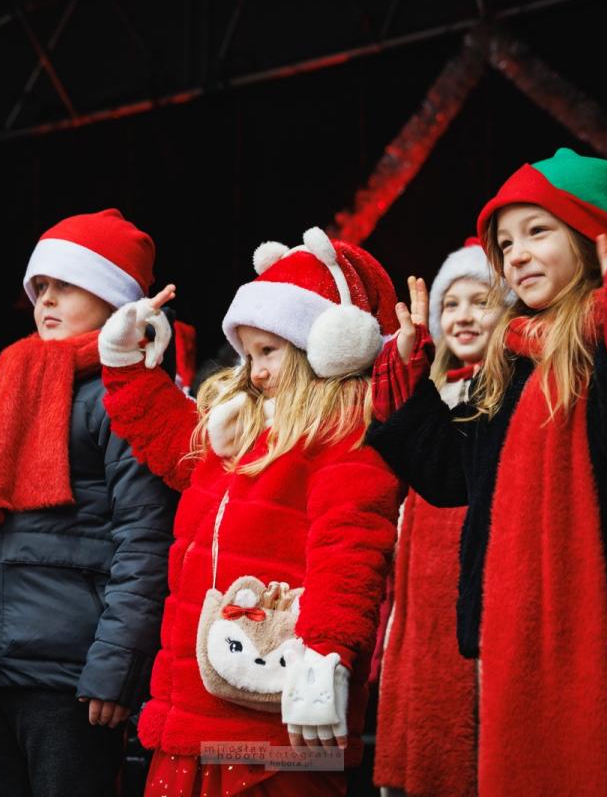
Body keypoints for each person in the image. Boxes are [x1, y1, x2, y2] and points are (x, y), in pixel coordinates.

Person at [366, 148, 607, 796]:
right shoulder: (514, 353)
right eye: (505, 243)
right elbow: (454, 475)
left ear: (591, 235)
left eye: (536, 231)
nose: (516, 254)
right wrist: (408, 383)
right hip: (514, 628)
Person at [96, 227, 402, 795]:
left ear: (324, 348)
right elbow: (168, 440)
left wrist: (325, 656)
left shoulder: (343, 435)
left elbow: (350, 549)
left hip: (277, 722)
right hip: (197, 710)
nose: (255, 370)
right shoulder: (239, 425)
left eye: (270, 351)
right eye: (249, 353)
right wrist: (127, 364)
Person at [0, 209, 178, 797]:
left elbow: (146, 542)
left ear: (112, 297)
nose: (45, 299)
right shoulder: (15, 385)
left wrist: (115, 668)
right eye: (40, 286)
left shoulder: (128, 396)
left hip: (72, 681)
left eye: (66, 285)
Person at [372, 240, 510, 797]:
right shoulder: (433, 393)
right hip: (422, 606)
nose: (463, 316)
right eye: (452, 304)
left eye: (481, 301)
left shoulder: (505, 392)